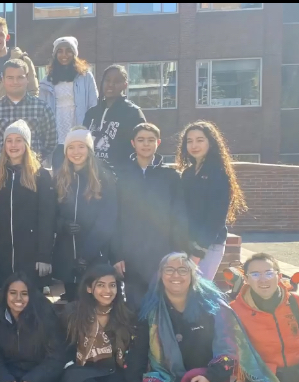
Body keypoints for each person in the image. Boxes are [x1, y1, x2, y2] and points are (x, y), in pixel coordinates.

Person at [128, 252, 276, 382]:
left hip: (210, 376)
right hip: (165, 377)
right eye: (169, 270)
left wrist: (210, 376)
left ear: (192, 275)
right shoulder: (150, 312)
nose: (176, 275)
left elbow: (228, 349)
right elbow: (138, 355)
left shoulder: (214, 307)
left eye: (182, 270)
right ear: (161, 275)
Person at [112, 123, 187, 310]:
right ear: (133, 143)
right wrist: (116, 254)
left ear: (158, 142)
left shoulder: (170, 176)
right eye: (141, 140)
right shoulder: (120, 175)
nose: (146, 144)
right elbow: (114, 217)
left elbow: (178, 216)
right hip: (130, 254)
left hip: (161, 252)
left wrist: (177, 252)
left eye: (151, 140)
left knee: (162, 305)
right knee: (134, 306)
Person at [230, 253, 299, 382]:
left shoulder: (296, 302)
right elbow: (233, 355)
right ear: (246, 279)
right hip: (265, 377)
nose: (263, 279)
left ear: (279, 276)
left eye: (269, 273)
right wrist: (272, 372)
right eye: (255, 274)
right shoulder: (234, 310)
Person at [0, 120, 56, 294]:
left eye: (18, 140)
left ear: (27, 144)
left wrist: (44, 256)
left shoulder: (40, 175)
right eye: (9, 140)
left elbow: (47, 217)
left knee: (29, 294)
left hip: (31, 255)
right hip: (3, 253)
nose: (13, 145)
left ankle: (39, 284)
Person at [177, 120, 247, 281]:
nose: (194, 145)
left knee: (199, 292)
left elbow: (216, 218)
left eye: (200, 140)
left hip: (208, 245)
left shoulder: (218, 173)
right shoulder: (187, 173)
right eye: (190, 141)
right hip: (186, 243)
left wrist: (197, 253)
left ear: (211, 142)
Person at [53, 127, 117, 301]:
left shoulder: (103, 178)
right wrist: (63, 225)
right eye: (71, 147)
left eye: (81, 146)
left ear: (89, 149)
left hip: (94, 256)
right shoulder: (60, 178)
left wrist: (87, 254)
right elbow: (51, 213)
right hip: (67, 256)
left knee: (92, 302)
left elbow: (107, 220)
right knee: (72, 302)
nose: (76, 152)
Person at [0, 59, 56, 174]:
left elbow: (51, 141)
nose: (15, 82)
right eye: (10, 78)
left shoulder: (42, 109)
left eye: (20, 77)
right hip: (0, 176)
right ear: (3, 80)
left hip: (32, 174)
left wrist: (36, 160)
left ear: (27, 79)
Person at [0, 273, 65, 382]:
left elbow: (55, 358)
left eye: (24, 293)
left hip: (39, 375)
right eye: (13, 293)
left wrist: (31, 379)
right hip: (8, 373)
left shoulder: (45, 315)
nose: (18, 298)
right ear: (5, 294)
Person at [62, 264, 133, 382]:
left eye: (112, 285)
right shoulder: (73, 313)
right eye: (101, 285)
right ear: (89, 288)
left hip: (114, 374)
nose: (108, 291)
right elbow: (61, 349)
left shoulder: (124, 314)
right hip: (81, 373)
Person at [38, 36, 98, 172]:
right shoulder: (47, 80)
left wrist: (90, 132)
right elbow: (41, 111)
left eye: (68, 51)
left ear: (74, 53)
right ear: (55, 55)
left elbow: (94, 105)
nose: (64, 55)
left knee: (81, 174)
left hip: (79, 133)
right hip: (56, 136)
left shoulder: (86, 77)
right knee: (60, 175)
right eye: (60, 51)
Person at [83, 65, 146, 168]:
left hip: (121, 177)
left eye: (116, 81)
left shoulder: (133, 112)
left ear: (125, 85)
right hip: (92, 175)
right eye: (107, 80)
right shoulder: (91, 113)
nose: (111, 84)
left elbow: (142, 147)